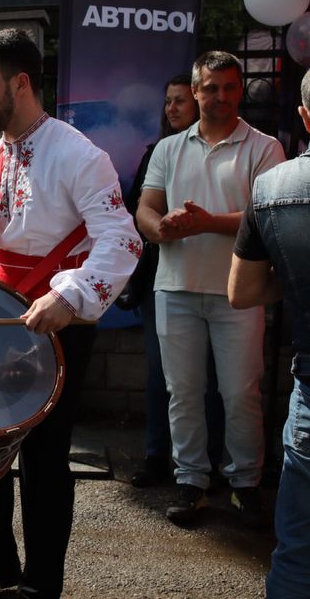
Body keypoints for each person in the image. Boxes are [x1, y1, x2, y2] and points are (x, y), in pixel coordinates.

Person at [0, 28, 140, 599]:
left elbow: (122, 241)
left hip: (56, 326)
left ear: (20, 82)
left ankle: (41, 584)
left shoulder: (80, 155)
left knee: (45, 459)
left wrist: (69, 297)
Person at [136, 51, 284, 527]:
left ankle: (245, 483)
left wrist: (203, 223)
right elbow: (146, 209)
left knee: (240, 392)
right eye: (212, 88)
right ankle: (192, 481)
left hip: (240, 291)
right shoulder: (168, 149)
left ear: (239, 90)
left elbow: (264, 215)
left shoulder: (264, 147)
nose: (222, 97)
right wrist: (160, 230)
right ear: (195, 91)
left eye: (230, 88)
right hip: (174, 286)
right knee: (182, 391)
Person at [229, 54, 310, 598]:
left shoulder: (271, 187)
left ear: (306, 117)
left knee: (301, 555)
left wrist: (299, 278)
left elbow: (243, 292)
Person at [123, 75, 225, 488]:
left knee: (217, 379)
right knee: (161, 373)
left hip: (219, 280)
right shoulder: (158, 153)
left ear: (199, 101)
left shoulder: (231, 149)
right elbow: (138, 209)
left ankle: (212, 463)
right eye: (168, 102)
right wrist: (158, 223)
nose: (172, 108)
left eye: (180, 100)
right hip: (162, 278)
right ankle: (156, 455)